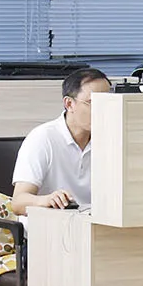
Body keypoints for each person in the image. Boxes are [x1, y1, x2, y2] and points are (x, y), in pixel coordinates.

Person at [10, 65, 113, 213]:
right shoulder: (43, 138)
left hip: (93, 221)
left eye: (108, 103)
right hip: (50, 222)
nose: (104, 111)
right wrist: (46, 200)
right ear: (69, 104)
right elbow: (18, 202)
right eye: (94, 103)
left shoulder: (112, 138)